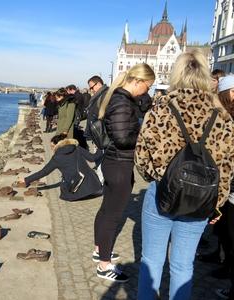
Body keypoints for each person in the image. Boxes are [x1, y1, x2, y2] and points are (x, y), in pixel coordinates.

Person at [135, 49, 234, 299]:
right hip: (200, 200)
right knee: (183, 265)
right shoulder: (222, 116)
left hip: (162, 194)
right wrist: (217, 204)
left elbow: (141, 159)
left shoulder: (160, 109)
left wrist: (158, 176)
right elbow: (227, 168)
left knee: (151, 261)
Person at [94, 63, 155, 282]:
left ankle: (99, 250)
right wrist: (145, 137)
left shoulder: (122, 99)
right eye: (147, 86)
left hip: (115, 163)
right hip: (120, 164)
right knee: (112, 215)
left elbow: (145, 106)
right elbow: (122, 138)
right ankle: (104, 265)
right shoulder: (121, 102)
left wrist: (144, 99)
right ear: (137, 81)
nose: (147, 91)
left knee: (105, 210)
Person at [21, 133, 103, 201]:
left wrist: (26, 180)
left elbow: (44, 172)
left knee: (64, 187)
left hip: (74, 191)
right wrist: (101, 146)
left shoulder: (57, 157)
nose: (51, 148)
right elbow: (93, 158)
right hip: (93, 186)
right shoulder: (76, 148)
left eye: (52, 146)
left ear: (57, 145)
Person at [214, 75, 234, 299]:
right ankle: (226, 266)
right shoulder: (223, 115)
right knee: (226, 235)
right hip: (228, 189)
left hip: (231, 186)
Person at [84, 75, 109, 145]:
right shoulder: (98, 95)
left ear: (98, 84)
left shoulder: (105, 95)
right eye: (90, 88)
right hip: (97, 134)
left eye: (92, 87)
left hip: (102, 135)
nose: (91, 90)